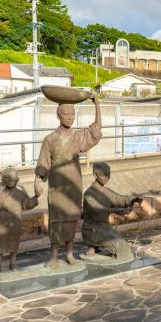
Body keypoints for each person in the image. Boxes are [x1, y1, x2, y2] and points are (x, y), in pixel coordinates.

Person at [35, 97, 101, 268]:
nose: (70, 117)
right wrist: (37, 180)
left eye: (72, 114)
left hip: (73, 182)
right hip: (56, 184)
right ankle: (55, 255)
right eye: (66, 114)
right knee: (56, 218)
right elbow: (43, 162)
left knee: (71, 218)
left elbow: (96, 129)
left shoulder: (78, 136)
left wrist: (97, 105)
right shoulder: (50, 139)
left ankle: (69, 253)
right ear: (59, 115)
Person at [82, 162, 143, 261]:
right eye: (104, 175)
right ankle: (92, 244)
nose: (107, 177)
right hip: (91, 229)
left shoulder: (106, 192)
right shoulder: (89, 194)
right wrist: (117, 210)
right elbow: (98, 209)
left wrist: (133, 199)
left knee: (124, 245)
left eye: (108, 174)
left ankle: (96, 245)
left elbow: (119, 199)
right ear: (95, 175)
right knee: (120, 246)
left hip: (105, 227)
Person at [0, 168, 39, 273]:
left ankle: (13, 263)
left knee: (14, 243)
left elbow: (28, 204)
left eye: (12, 179)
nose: (10, 181)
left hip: (15, 221)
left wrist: (36, 196)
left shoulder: (20, 194)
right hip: (3, 221)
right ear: (3, 180)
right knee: (0, 243)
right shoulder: (1, 192)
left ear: (18, 180)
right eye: (7, 179)